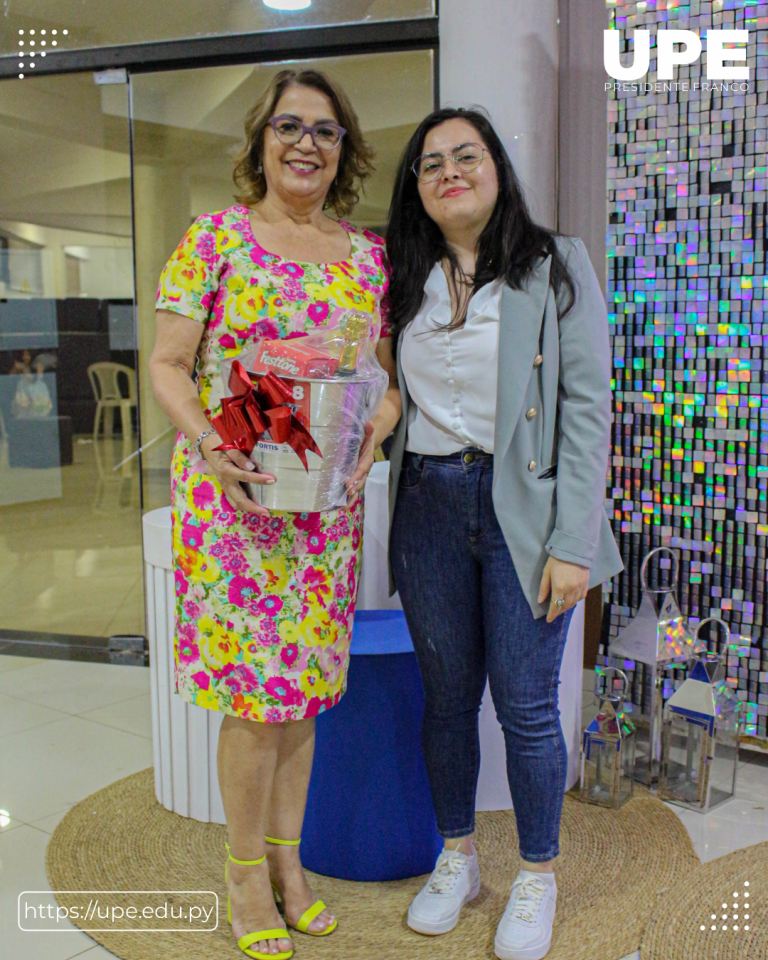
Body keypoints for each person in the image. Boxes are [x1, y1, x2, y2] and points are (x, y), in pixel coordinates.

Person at [346, 107, 623, 960]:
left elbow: (586, 410)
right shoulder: (401, 275)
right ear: (417, 189)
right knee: (447, 699)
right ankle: (458, 856)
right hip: (428, 501)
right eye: (430, 164)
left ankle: (535, 873)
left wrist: (574, 542)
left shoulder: (553, 263)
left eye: (467, 156)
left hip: (526, 514)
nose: (449, 172)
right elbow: (383, 385)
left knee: (529, 706)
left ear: (497, 169)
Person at [150, 69, 398, 960]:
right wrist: (210, 442)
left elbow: (381, 380)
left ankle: (292, 866)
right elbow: (170, 364)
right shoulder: (215, 238)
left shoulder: (367, 258)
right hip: (236, 504)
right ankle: (246, 872)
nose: (306, 143)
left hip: (324, 514)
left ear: (344, 150)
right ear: (261, 140)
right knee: (255, 704)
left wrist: (378, 426)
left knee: (303, 700)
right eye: (289, 126)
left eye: (325, 131)